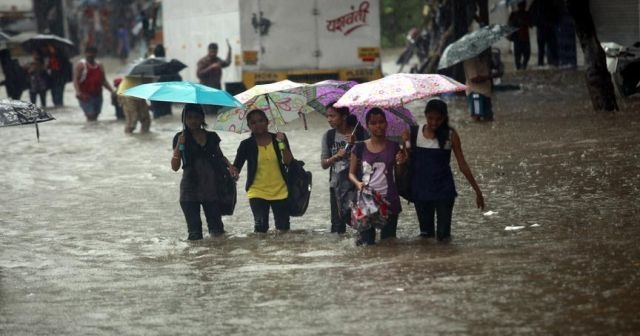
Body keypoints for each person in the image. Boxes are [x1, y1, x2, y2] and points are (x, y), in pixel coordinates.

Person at [403, 99, 485, 242]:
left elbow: (462, 164)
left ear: (444, 117)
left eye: (438, 119)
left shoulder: (450, 135)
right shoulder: (414, 132)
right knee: (426, 235)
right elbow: (408, 160)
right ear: (425, 115)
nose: (434, 122)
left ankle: (446, 263)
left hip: (444, 190)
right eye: (430, 118)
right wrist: (406, 142)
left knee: (444, 235)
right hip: (421, 191)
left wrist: (477, 191)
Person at [171, 104, 238, 240]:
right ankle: (198, 259)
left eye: (196, 117)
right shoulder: (180, 137)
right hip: (189, 190)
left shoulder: (212, 136)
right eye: (189, 117)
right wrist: (179, 145)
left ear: (202, 118)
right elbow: (175, 166)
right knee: (194, 233)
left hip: (211, 188)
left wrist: (230, 166)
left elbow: (220, 156)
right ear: (184, 119)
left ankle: (218, 258)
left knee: (217, 231)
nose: (193, 121)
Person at [349, 108, 407, 246]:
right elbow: (350, 173)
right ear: (367, 125)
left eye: (381, 122)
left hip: (389, 200)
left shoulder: (394, 146)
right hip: (366, 200)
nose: (378, 126)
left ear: (386, 124)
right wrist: (358, 183)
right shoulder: (359, 147)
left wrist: (401, 162)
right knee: (367, 244)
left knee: (389, 243)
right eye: (373, 123)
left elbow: (398, 174)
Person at [232, 109, 294, 233]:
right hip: (257, 191)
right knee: (260, 229)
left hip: (280, 190)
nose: (258, 124)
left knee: (283, 229)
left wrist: (282, 143)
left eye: (261, 121)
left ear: (267, 122)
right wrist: (233, 172)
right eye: (253, 123)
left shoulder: (279, 139)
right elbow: (236, 167)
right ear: (249, 126)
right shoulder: (246, 144)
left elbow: (288, 161)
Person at [320, 103, 367, 233]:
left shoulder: (360, 133)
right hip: (336, 187)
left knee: (361, 223)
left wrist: (356, 144)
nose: (329, 119)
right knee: (337, 226)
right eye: (327, 116)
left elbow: (368, 159)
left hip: (356, 185)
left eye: (332, 116)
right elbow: (324, 164)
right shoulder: (328, 136)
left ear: (344, 116)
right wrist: (335, 157)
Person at [73, 45, 116, 122]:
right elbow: (76, 80)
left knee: (96, 116)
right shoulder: (81, 65)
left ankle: (93, 131)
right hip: (85, 95)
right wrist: (78, 92)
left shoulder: (99, 65)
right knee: (90, 115)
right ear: (85, 53)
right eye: (88, 53)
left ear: (96, 54)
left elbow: (103, 80)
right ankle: (89, 131)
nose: (90, 55)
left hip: (98, 95)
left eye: (92, 53)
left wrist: (112, 91)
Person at [196, 41, 231, 114]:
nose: (213, 53)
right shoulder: (203, 61)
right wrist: (211, 67)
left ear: (217, 51)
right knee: (208, 114)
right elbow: (199, 74)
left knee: (218, 113)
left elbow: (227, 63)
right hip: (206, 91)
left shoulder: (218, 60)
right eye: (212, 51)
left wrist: (230, 51)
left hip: (216, 89)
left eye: (215, 52)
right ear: (208, 50)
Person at [463, 51, 495, 122]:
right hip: (476, 94)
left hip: (486, 93)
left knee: (489, 119)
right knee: (477, 118)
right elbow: (474, 78)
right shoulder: (470, 59)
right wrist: (490, 77)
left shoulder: (483, 58)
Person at [507, 1, 531, 70]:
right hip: (518, 37)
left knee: (525, 54)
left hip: (523, 37)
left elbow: (530, 23)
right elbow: (510, 24)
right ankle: (520, 66)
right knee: (519, 54)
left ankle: (522, 66)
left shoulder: (526, 14)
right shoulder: (515, 14)